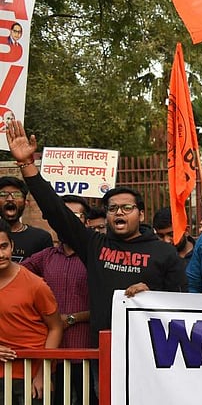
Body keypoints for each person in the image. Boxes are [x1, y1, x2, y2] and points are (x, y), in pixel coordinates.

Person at [6, 120, 185, 341]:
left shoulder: (164, 252)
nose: (119, 212)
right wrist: (26, 164)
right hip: (103, 348)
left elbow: (181, 302)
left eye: (127, 207)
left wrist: (151, 294)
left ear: (141, 215)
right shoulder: (95, 245)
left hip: (149, 349)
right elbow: (56, 211)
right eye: (112, 208)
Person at [21, 195, 95, 405]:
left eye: (75, 216)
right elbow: (15, 276)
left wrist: (73, 318)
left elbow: (108, 303)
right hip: (52, 354)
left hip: (88, 350)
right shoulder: (43, 258)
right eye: (61, 216)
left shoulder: (94, 256)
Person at [0, 217, 64, 405]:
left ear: (11, 247)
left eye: (3, 246)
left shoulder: (34, 283)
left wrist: (43, 372)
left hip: (31, 374)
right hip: (1, 376)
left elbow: (55, 327)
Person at [0, 176, 52, 262]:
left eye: (16, 194)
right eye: (3, 194)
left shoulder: (41, 238)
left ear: (26, 202)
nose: (10, 199)